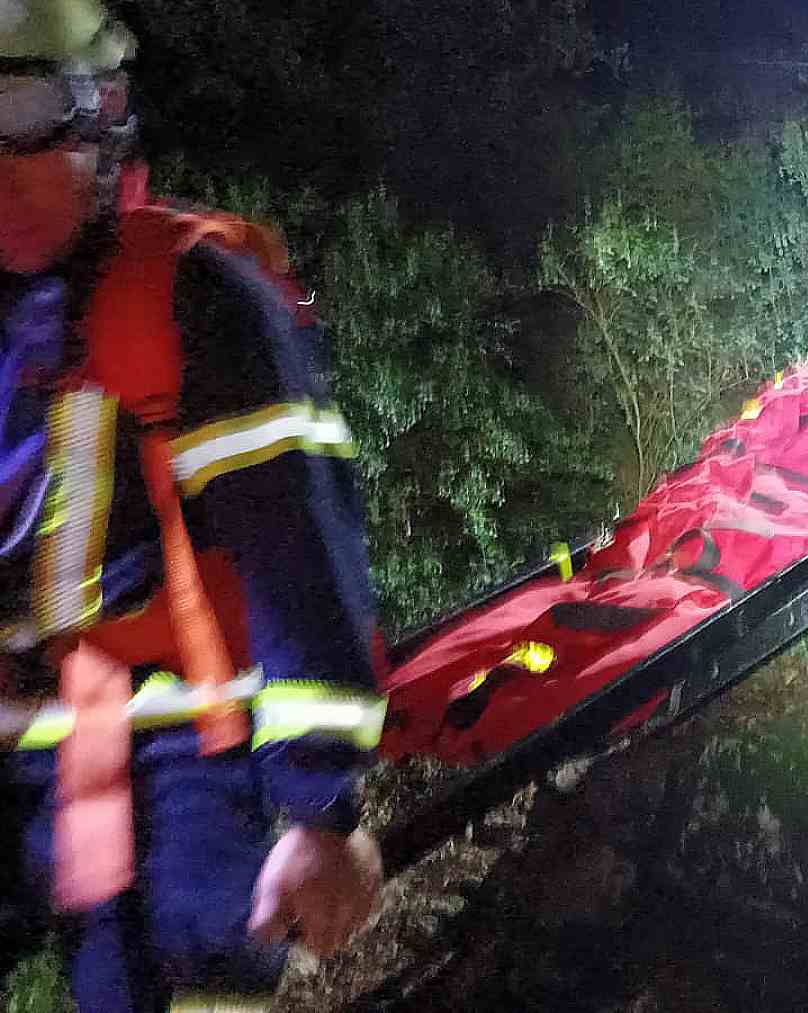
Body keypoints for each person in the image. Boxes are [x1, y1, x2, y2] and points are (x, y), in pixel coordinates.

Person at [1, 2, 385, 1008]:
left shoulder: (190, 296)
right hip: (47, 742)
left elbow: (298, 545)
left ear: (101, 114)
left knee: (204, 965)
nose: (1, 172)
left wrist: (319, 806)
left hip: (201, 746)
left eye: (26, 111)